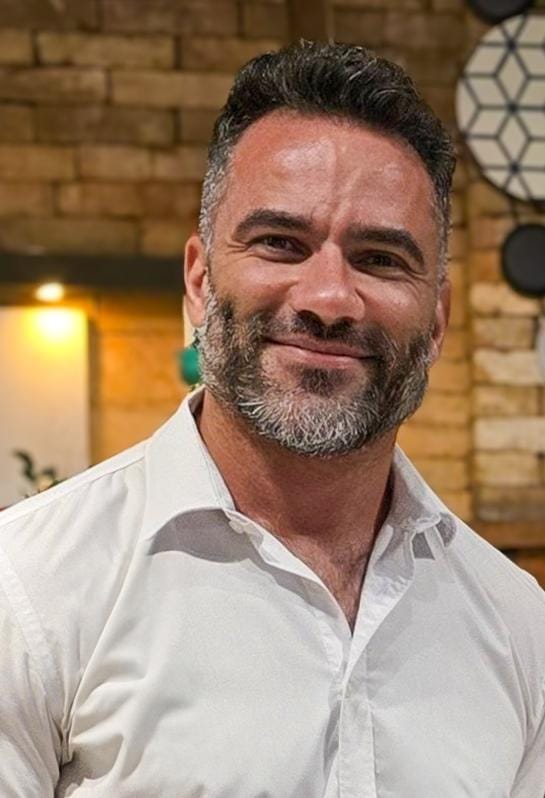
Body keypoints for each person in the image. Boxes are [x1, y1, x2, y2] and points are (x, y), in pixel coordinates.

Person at [1, 40, 544, 798]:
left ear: (438, 319)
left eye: (380, 258)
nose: (329, 299)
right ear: (200, 281)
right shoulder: (28, 588)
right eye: (281, 244)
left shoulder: (519, 624)